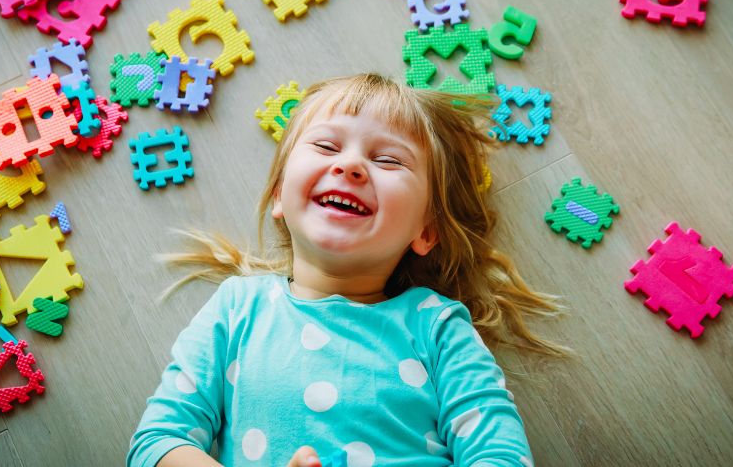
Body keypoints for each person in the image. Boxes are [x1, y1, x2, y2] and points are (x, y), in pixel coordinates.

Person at [127, 74, 568, 467]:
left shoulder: (436, 325)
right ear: (280, 194)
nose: (350, 165)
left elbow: (500, 455)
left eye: (389, 160)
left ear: (425, 230)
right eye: (326, 146)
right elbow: (158, 443)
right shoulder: (237, 308)